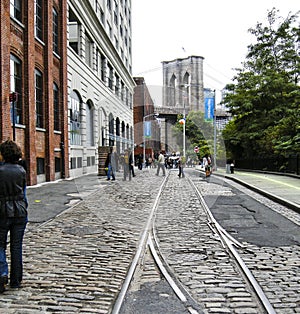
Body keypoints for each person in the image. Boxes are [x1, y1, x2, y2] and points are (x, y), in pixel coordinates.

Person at [0, 140, 28, 292]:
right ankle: (16, 280)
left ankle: (2, 274)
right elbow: (23, 194)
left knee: (0, 245)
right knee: (16, 247)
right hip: (20, 212)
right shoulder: (21, 170)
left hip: (3, 212)